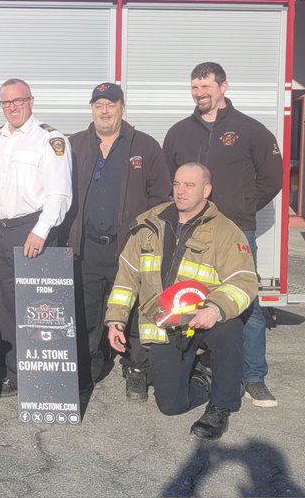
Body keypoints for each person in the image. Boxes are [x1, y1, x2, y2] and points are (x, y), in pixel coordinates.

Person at [162, 62, 283, 408]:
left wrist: (244, 206)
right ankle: (194, 365)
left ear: (223, 87)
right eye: (195, 88)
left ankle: (254, 376)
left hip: (235, 230)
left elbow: (273, 177)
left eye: (206, 87)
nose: (200, 94)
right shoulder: (179, 132)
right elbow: (170, 179)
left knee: (247, 303)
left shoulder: (250, 130)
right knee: (187, 296)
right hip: (191, 228)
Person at [106, 163, 257, 440]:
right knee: (171, 405)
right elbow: (126, 277)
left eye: (190, 185)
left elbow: (244, 281)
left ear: (206, 190)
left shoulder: (225, 231)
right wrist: (115, 319)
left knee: (230, 329)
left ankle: (221, 405)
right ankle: (203, 378)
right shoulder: (148, 224)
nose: (181, 191)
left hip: (205, 317)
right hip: (168, 325)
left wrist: (216, 309)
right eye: (177, 184)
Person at [64, 83, 171, 400]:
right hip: (88, 247)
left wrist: (145, 236)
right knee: (87, 310)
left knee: (136, 308)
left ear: (122, 107)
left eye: (111, 104)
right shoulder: (75, 145)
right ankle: (88, 367)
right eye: (98, 105)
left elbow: (162, 197)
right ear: (92, 109)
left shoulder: (145, 146)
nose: (104, 110)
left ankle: (137, 368)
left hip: (129, 247)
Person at [0, 78, 72, 398]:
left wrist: (41, 231)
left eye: (18, 101)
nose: (12, 107)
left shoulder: (49, 139)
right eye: (5, 102)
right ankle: (15, 372)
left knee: (41, 307)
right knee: (8, 306)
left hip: (32, 231)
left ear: (31, 100)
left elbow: (59, 193)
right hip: (2, 231)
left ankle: (45, 380)